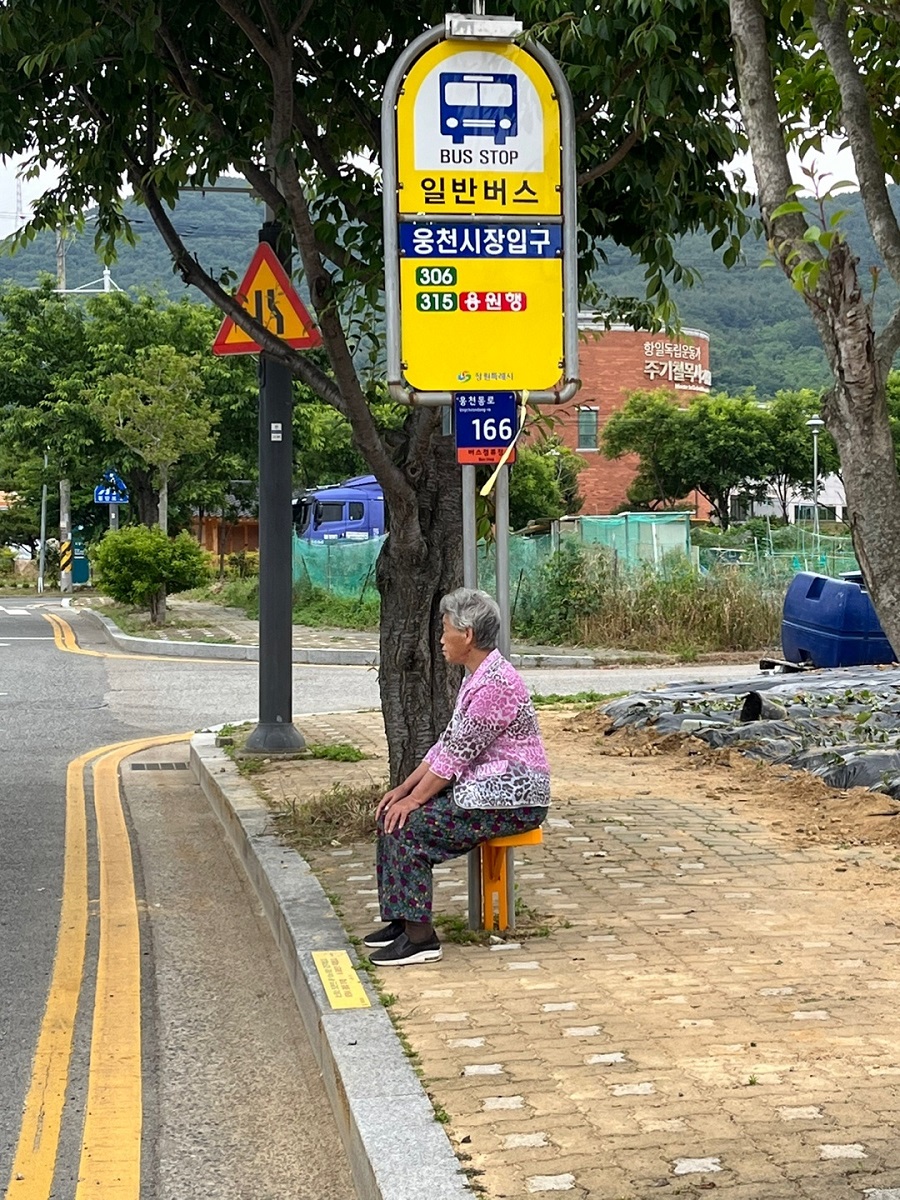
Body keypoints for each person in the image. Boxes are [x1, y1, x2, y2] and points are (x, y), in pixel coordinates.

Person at [365, 587, 550, 966]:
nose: (440, 638)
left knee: (409, 826)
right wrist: (403, 789)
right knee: (392, 813)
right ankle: (403, 920)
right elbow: (447, 744)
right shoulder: (479, 674)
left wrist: (414, 800)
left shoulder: (495, 684)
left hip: (513, 799)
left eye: (445, 629)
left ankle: (421, 939)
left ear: (466, 635)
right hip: (484, 791)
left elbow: (457, 755)